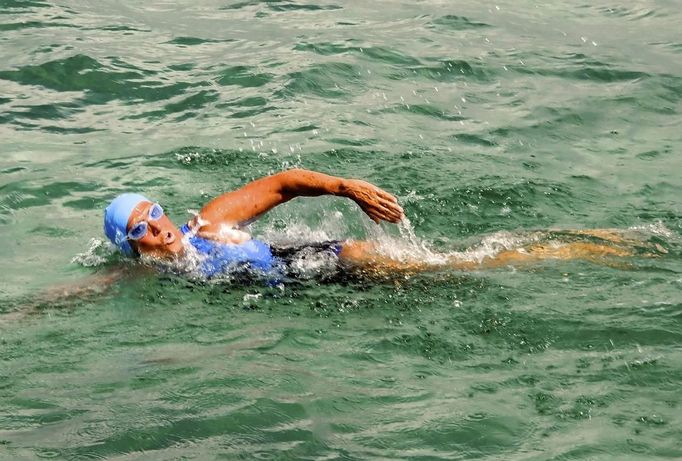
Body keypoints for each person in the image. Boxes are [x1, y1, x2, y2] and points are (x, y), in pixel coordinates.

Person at [103, 168, 638, 281]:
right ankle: (578, 246)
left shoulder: (207, 225)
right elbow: (87, 290)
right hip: (301, 284)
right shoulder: (143, 275)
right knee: (451, 267)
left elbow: (283, 184)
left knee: (456, 267)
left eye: (153, 211)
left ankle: (583, 250)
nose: (155, 227)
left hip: (320, 261)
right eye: (138, 230)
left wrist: (345, 188)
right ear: (131, 248)